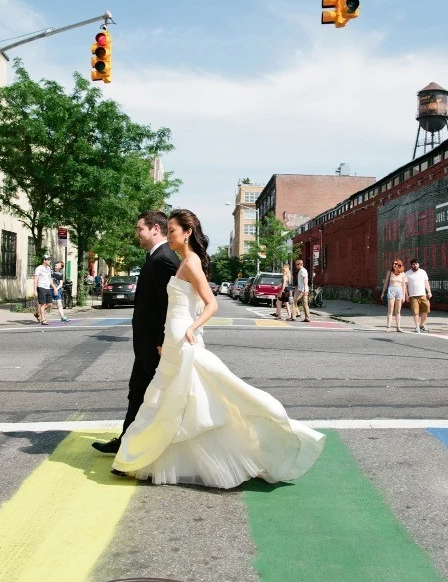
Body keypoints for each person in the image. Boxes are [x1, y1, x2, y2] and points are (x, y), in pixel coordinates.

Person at [109, 209, 325, 488]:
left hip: (183, 341)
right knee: (167, 402)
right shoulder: (183, 261)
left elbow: (211, 304)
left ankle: (267, 435)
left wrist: (191, 327)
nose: (170, 235)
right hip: (174, 341)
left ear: (187, 232)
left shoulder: (191, 262)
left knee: (201, 397)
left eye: (173, 230)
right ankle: (146, 458)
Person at [92, 211, 180, 455]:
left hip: (155, 345)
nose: (137, 234)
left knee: (153, 396)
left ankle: (151, 447)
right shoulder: (155, 256)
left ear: (154, 228)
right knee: (138, 392)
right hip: (146, 343)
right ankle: (126, 441)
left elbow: (168, 305)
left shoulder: (163, 259)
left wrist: (162, 342)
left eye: (139, 228)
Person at [380, 259, 408, 332]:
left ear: (399, 265)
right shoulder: (390, 272)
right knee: (390, 310)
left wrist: (404, 296)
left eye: (396, 264)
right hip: (391, 289)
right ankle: (388, 327)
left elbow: (403, 286)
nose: (394, 265)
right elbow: (386, 283)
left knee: (398, 310)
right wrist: (383, 292)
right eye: (393, 264)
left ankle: (398, 327)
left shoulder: (403, 274)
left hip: (399, 290)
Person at [405, 258, 432, 333]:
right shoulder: (407, 274)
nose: (415, 265)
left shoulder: (423, 272)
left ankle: (421, 325)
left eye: (416, 264)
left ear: (418, 264)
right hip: (413, 296)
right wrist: (406, 296)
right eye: (413, 264)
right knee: (415, 312)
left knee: (426, 310)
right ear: (411, 265)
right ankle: (417, 327)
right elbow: (405, 286)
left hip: (423, 295)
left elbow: (426, 283)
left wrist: (429, 292)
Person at [34, 255, 53, 325]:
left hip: (48, 287)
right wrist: (35, 290)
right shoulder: (39, 268)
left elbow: (50, 279)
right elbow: (35, 279)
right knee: (43, 304)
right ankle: (43, 319)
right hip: (41, 287)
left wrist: (54, 287)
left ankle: (38, 313)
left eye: (49, 259)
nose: (49, 261)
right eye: (48, 259)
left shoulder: (48, 268)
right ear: (44, 260)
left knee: (49, 304)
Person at [293, 258, 311, 323]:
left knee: (294, 301)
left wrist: (305, 289)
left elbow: (305, 279)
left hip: (301, 290)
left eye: (296, 265)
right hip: (303, 289)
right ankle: (307, 317)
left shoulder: (302, 270)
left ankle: (293, 316)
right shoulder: (302, 270)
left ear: (300, 264)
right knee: (304, 304)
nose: (296, 266)